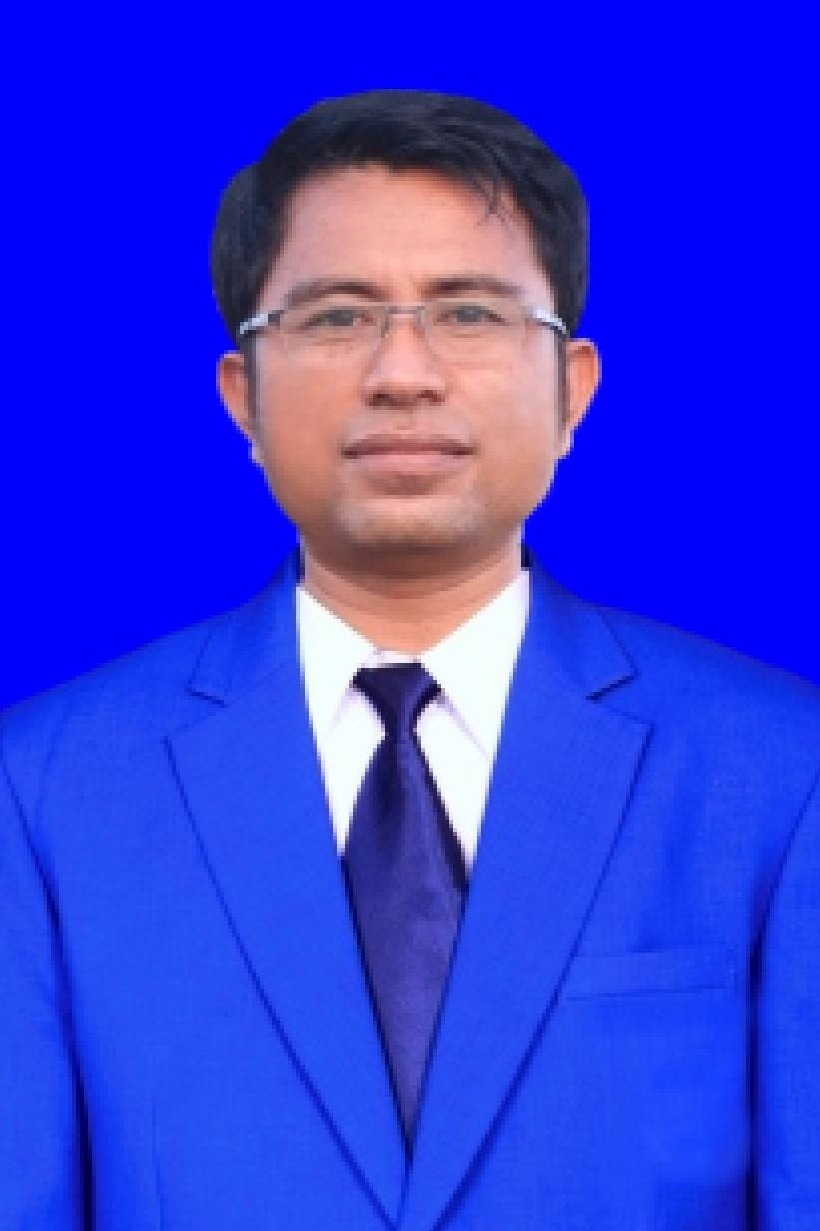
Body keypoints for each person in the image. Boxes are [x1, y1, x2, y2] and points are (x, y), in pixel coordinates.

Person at [1, 89, 818, 1231]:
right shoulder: (45, 787)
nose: (403, 372)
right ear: (242, 395)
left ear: (572, 388)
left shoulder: (779, 771)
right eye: (338, 316)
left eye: (470, 313)